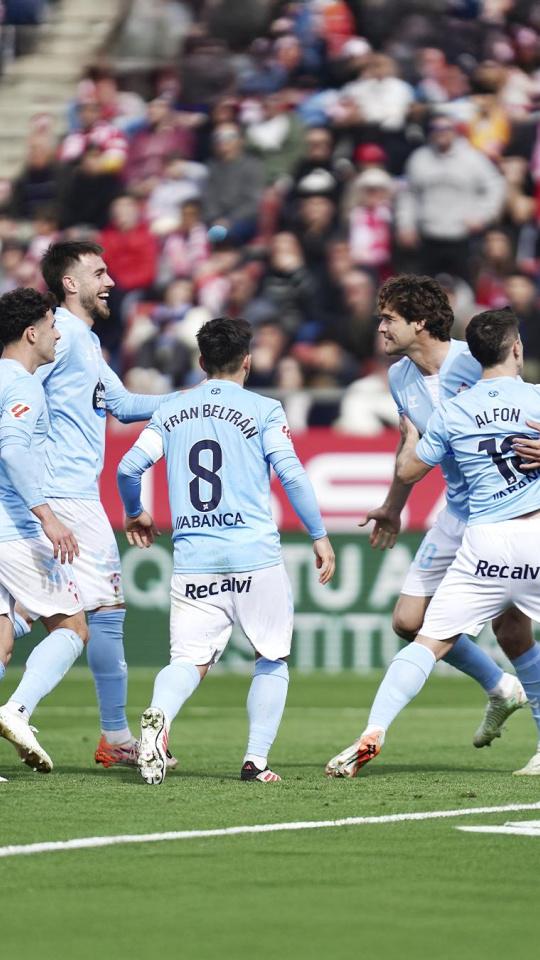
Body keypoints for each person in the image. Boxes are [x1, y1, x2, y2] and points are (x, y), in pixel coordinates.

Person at [326, 276, 533, 777]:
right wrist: (393, 506)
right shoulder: (400, 377)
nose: (380, 328)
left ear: (419, 321)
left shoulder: (477, 360)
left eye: (388, 319)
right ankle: (501, 687)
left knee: (511, 630)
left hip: (504, 512)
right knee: (407, 621)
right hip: (458, 514)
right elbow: (412, 449)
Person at [117, 316, 335, 785]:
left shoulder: (173, 410)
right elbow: (292, 475)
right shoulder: (264, 409)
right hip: (253, 554)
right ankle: (255, 761)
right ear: (248, 362)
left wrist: (135, 511)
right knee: (271, 657)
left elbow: (128, 467)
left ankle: (158, 716)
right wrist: (318, 534)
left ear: (201, 362)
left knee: (187, 662)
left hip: (194, 557)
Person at [34, 241, 177, 769]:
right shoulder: (61, 336)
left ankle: (106, 733)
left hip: (56, 492)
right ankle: (115, 735)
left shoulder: (84, 341)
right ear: (70, 284)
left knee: (22, 619)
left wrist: (202, 397)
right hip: (64, 493)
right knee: (106, 611)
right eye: (98, 272)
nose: (110, 280)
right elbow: (18, 387)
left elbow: (121, 405)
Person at [0, 287, 88, 775]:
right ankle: (18, 710)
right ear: (31, 333)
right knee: (73, 626)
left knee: (2, 638)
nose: (58, 333)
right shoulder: (22, 385)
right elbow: (12, 450)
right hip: (13, 526)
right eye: (53, 324)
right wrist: (48, 517)